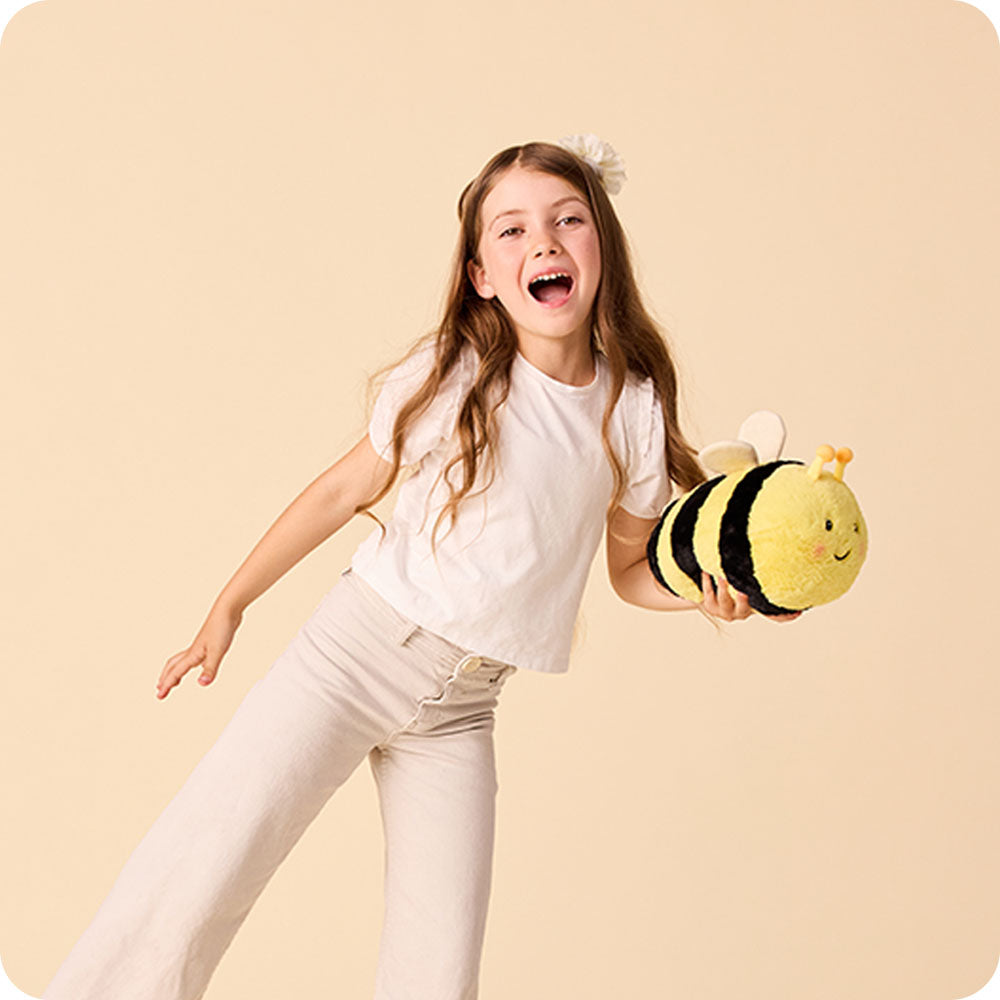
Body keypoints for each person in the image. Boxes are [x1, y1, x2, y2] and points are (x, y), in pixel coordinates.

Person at [41, 134, 800, 1000]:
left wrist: (704, 597)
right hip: (352, 658)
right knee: (204, 864)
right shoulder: (459, 374)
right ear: (481, 274)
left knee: (439, 968)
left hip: (463, 711)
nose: (543, 244)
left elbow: (629, 571)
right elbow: (339, 494)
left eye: (567, 220)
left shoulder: (630, 405)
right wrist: (230, 607)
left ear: (603, 250)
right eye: (511, 232)